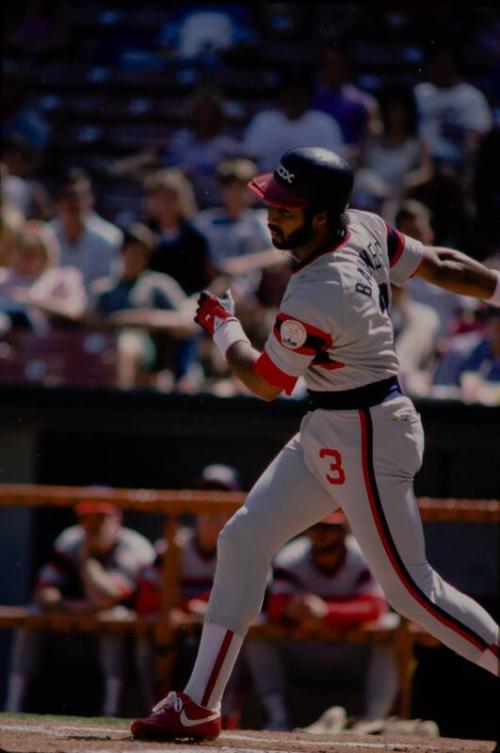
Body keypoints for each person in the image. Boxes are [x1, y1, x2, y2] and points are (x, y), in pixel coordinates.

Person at [131, 146, 500, 742]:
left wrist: (222, 326)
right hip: (336, 421)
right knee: (244, 537)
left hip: (368, 432)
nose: (272, 216)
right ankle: (199, 703)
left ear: (323, 214)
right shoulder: (366, 227)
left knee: (411, 592)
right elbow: (441, 263)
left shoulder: (319, 288)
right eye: (272, 202)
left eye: (287, 208)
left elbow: (265, 383)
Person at [242, 511, 397, 730]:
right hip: (303, 651)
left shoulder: (364, 555)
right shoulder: (291, 557)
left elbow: (375, 607)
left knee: (390, 626)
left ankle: (374, 722)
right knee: (256, 625)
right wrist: (294, 611)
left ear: (343, 531)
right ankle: (277, 717)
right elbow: (276, 608)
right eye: (316, 527)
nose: (322, 535)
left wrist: (327, 612)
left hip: (351, 653)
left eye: (329, 529)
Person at [5, 499, 154, 716]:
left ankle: (111, 710)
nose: (92, 525)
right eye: (86, 518)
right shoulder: (71, 539)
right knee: (31, 615)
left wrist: (87, 559)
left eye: (100, 518)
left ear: (117, 519)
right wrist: (70, 607)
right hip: (77, 628)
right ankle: (12, 706)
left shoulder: (134, 546)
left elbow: (106, 597)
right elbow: (43, 592)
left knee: (114, 618)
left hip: (130, 640)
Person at [134, 464, 238, 711]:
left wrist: (200, 606)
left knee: (241, 635)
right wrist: (173, 561)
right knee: (155, 631)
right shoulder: (173, 546)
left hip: (220, 623)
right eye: (207, 494)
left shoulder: (242, 547)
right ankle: (155, 704)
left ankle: (231, 713)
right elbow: (147, 600)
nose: (213, 504)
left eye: (222, 496)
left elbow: (255, 600)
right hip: (181, 627)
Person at [88, 222, 194, 390]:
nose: (134, 258)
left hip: (144, 348)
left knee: (126, 345)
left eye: (140, 253)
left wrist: (139, 318)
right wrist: (109, 322)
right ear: (122, 253)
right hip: (104, 344)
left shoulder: (158, 284)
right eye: (130, 251)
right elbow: (89, 321)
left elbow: (187, 324)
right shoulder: (103, 288)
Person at [243, 71, 343, 172]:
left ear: (308, 95)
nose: (294, 98)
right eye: (290, 93)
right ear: (281, 95)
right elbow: (249, 159)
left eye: (299, 93)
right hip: (266, 182)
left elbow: (332, 164)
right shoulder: (263, 121)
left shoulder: (325, 123)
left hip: (309, 183)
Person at [0, 220, 86, 333]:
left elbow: (76, 310)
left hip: (47, 342)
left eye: (32, 251)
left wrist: (33, 301)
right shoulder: (3, 277)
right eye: (22, 249)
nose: (27, 256)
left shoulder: (63, 278)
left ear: (46, 251)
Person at [144, 168, 218, 296]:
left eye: (170, 198)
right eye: (159, 198)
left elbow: (212, 276)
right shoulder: (145, 234)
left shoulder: (195, 235)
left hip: (190, 303)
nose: (164, 204)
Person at [49, 168, 122, 292]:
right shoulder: (45, 235)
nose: (74, 203)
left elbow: (111, 283)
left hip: (95, 308)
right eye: (68, 197)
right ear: (58, 202)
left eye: (79, 197)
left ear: (91, 198)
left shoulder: (110, 237)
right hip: (49, 306)